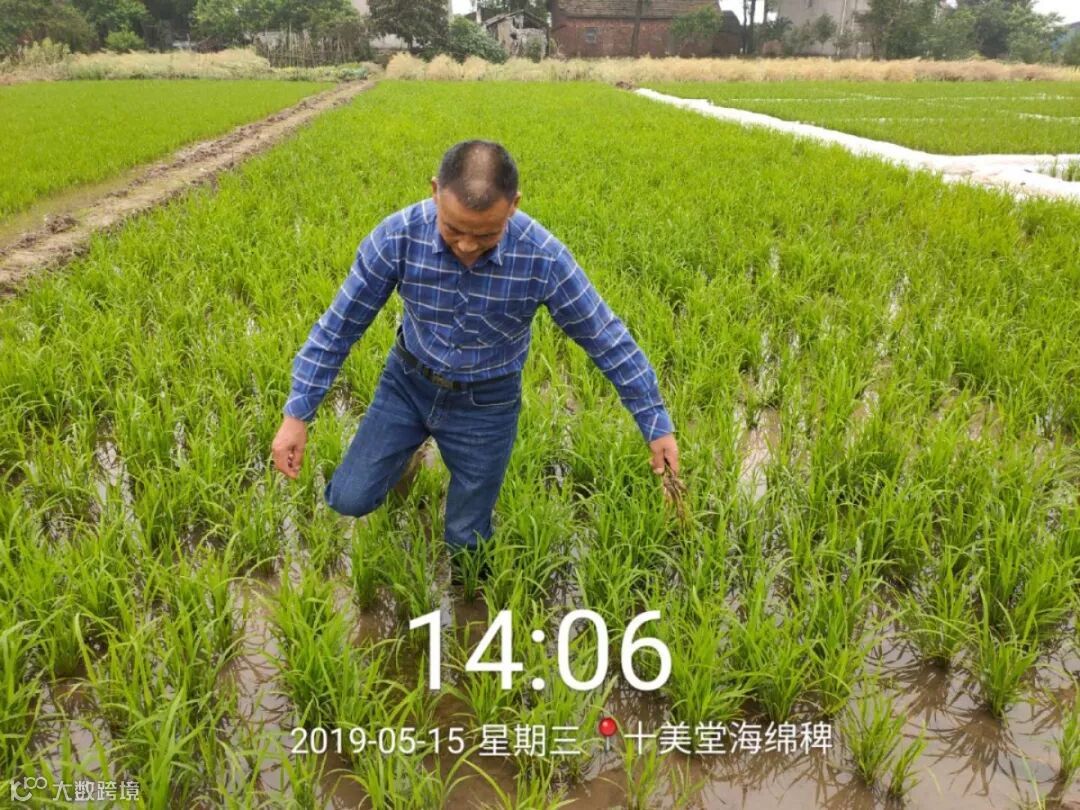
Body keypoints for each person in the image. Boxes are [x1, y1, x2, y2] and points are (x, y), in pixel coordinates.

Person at [270, 140, 679, 573]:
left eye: (485, 235)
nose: (467, 245)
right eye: (453, 229)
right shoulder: (397, 236)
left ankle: (471, 595)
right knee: (348, 498)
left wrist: (655, 424)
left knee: (467, 542)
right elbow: (338, 326)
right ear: (435, 191)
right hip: (407, 384)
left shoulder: (542, 256)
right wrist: (297, 413)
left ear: (513, 205)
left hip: (487, 402)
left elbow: (606, 338)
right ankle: (406, 456)